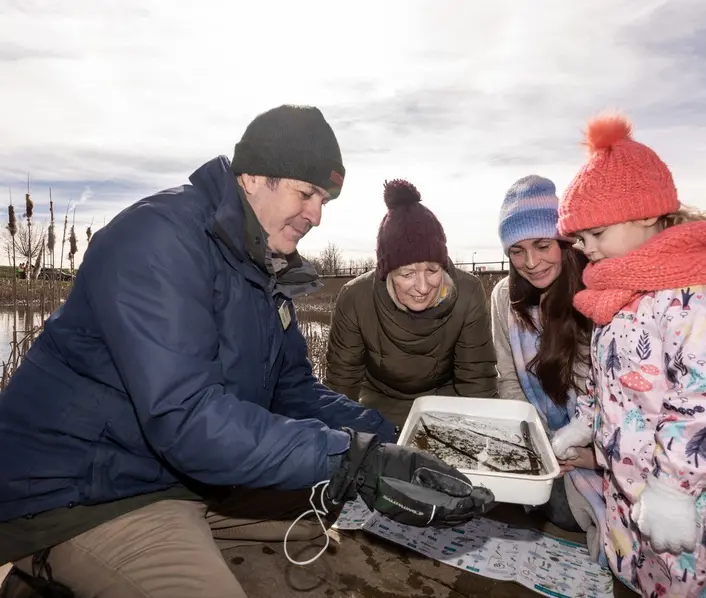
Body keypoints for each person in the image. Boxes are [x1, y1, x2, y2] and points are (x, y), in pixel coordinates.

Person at [0, 105, 494, 598]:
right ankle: (43, 570)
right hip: (86, 493)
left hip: (188, 476)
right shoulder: (158, 239)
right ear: (254, 177)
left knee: (326, 512)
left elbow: (293, 390)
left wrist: (393, 443)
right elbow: (187, 417)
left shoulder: (263, 269)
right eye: (306, 193)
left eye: (324, 200)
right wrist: (351, 460)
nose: (317, 216)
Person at [551, 113, 706, 597]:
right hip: (625, 494)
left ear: (645, 212)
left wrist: (674, 490)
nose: (585, 249)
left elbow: (697, 403)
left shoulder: (690, 296)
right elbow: (609, 377)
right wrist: (587, 421)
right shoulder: (617, 295)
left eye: (596, 234)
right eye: (579, 239)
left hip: (679, 507)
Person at [490, 175, 607, 564]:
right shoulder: (503, 298)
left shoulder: (595, 295)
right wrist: (532, 443)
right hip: (541, 439)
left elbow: (611, 397)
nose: (531, 262)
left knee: (560, 509)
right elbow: (509, 379)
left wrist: (591, 455)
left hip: (594, 447)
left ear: (564, 242)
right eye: (517, 251)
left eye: (543, 245)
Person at [324, 178, 498, 428]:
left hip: (446, 404)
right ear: (387, 273)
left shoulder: (468, 292)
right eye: (407, 274)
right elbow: (342, 385)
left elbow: (477, 380)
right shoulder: (355, 298)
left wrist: (484, 440)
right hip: (380, 406)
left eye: (432, 270)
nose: (423, 287)